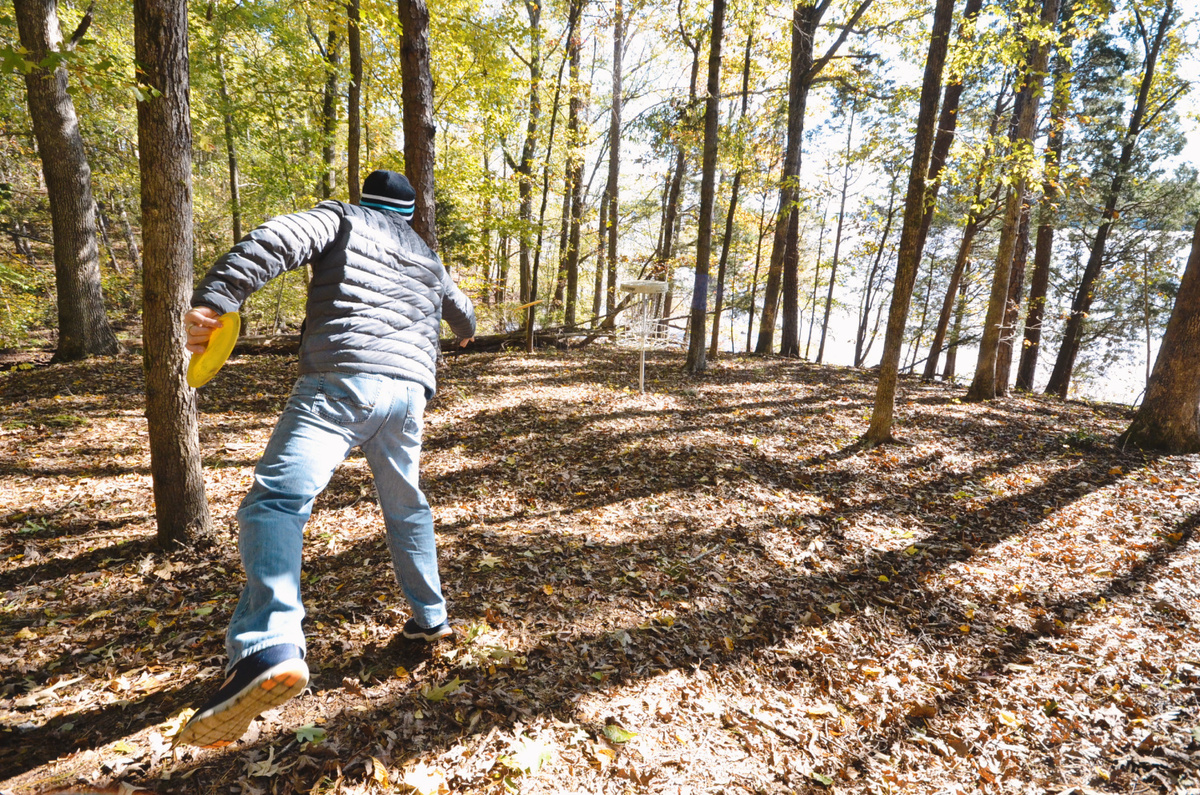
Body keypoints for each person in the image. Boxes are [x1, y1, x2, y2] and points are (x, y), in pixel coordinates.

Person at [174, 169, 475, 748]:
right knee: (407, 508)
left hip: (340, 380)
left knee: (278, 502)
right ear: (411, 214)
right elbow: (461, 312)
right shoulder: (429, 257)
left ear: (369, 200)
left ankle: (269, 644)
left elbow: (276, 239)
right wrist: (462, 330)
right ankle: (431, 618)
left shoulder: (341, 217)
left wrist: (217, 298)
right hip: (408, 394)